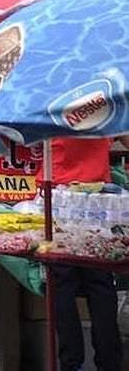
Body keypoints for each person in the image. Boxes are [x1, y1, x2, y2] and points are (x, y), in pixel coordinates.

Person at [49, 136, 123, 371]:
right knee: (100, 285)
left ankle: (71, 364)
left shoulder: (50, 103)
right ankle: (109, 363)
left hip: (59, 197)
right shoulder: (104, 102)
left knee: (62, 286)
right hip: (98, 200)